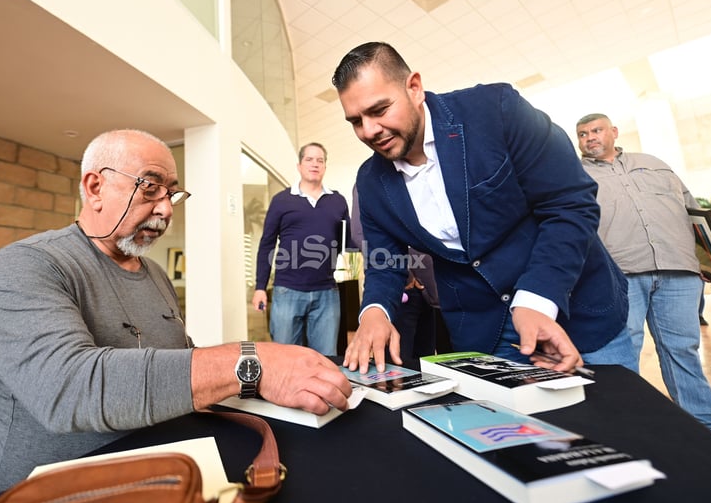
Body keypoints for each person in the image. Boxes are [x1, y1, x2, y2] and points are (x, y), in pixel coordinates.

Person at [0, 129, 352, 497]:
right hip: (49, 497)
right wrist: (251, 362)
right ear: (95, 188)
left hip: (163, 470)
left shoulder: (154, 274)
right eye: (150, 187)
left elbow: (183, 364)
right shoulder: (27, 265)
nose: (166, 208)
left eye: (171, 193)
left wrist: (272, 381)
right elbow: (67, 389)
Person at [331, 42, 637, 376]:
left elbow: (570, 204)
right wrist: (375, 312)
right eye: (356, 121)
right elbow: (385, 262)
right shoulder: (372, 181)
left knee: (614, 424)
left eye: (379, 110)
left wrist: (536, 298)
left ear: (414, 87)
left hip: (579, 308)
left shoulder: (496, 109)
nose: (370, 130)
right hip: (486, 335)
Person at [575, 113, 711, 433]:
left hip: (678, 271)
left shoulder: (653, 163)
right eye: (583, 134)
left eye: (596, 130)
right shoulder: (575, 175)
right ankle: (630, 433)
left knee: (683, 350)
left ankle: (705, 430)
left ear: (613, 131)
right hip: (619, 275)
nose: (590, 138)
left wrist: (708, 262)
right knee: (619, 356)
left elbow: (692, 211)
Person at [252, 142, 352, 356]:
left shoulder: (338, 201)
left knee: (326, 359)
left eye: (320, 160)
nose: (315, 164)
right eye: (309, 159)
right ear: (299, 166)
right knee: (286, 358)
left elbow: (348, 242)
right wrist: (260, 287)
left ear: (325, 166)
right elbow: (267, 244)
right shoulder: (281, 201)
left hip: (327, 293)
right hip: (287, 292)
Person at [350, 185, 440, 360]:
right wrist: (408, 273)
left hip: (432, 291)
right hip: (399, 289)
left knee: (428, 361)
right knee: (398, 363)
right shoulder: (369, 182)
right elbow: (361, 236)